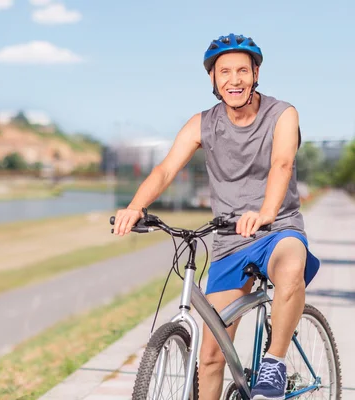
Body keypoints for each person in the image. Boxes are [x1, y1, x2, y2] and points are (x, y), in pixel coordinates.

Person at [112, 33, 320, 400]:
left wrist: (266, 213)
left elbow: (282, 163)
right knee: (209, 358)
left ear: (256, 73)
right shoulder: (202, 123)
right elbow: (164, 170)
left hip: (277, 230)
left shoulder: (282, 114)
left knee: (290, 265)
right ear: (213, 79)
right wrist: (135, 206)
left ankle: (274, 362)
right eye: (224, 72)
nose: (234, 79)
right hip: (228, 242)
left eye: (243, 70)